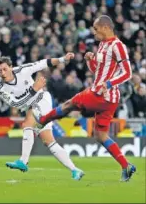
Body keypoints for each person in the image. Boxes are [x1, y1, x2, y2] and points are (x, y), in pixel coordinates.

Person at [34, 15, 136, 182]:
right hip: (108, 99)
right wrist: (90, 61)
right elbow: (98, 71)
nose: (94, 33)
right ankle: (126, 166)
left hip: (101, 94)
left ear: (105, 28)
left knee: (70, 103)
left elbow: (127, 72)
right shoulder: (103, 45)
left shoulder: (118, 46)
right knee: (100, 136)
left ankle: (41, 121)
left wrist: (108, 84)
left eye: (96, 29)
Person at [0, 54, 85, 180]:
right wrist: (33, 89)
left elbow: (43, 63)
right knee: (48, 141)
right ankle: (75, 170)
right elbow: (16, 103)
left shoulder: (22, 70)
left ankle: (23, 161)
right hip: (30, 103)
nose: (3, 73)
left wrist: (62, 59)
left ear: (11, 67)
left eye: (5, 69)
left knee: (27, 124)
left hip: (42, 99)